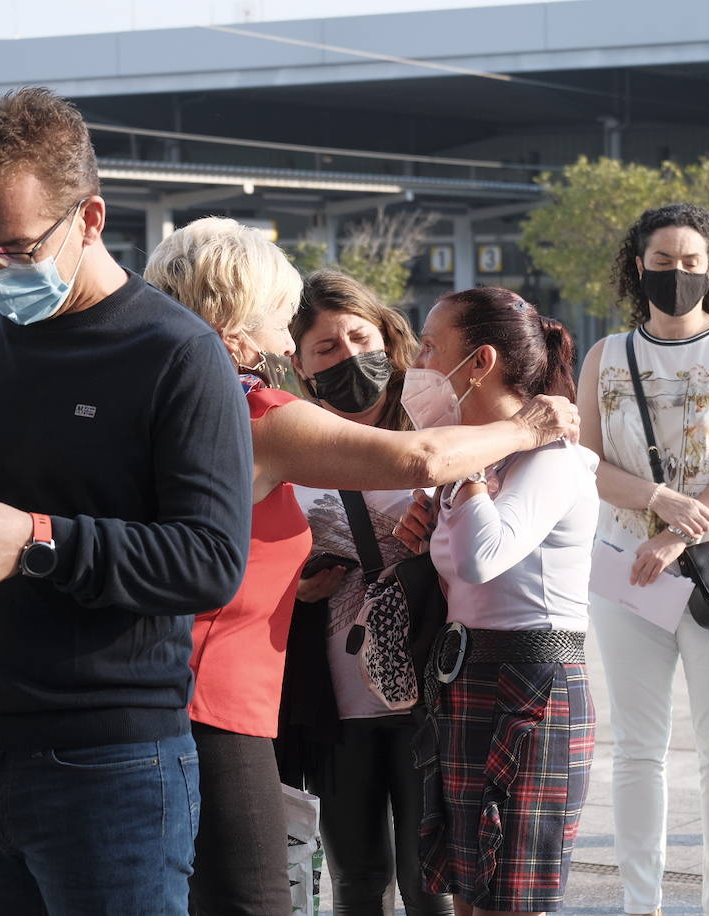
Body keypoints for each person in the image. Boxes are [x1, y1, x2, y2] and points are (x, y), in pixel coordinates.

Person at [0, 88, 253, 915]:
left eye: (15, 247)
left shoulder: (178, 356)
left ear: (90, 217)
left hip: (113, 767)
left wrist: (38, 539)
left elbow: (211, 560)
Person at [143, 221, 579, 916]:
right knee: (291, 889)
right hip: (231, 697)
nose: (287, 347)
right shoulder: (255, 414)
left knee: (422, 880)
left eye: (359, 338)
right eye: (285, 330)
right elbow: (426, 460)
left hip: (207, 692)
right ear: (232, 333)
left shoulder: (163, 404)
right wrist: (529, 427)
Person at [575, 203, 709, 916]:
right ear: (638, 267)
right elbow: (587, 464)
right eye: (663, 263)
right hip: (626, 571)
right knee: (636, 748)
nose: (678, 274)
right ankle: (641, 902)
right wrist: (659, 500)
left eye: (692, 263)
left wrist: (679, 535)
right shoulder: (604, 356)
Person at [393, 286, 598, 916]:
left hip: (532, 687)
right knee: (468, 890)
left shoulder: (552, 459)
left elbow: (486, 556)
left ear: (477, 363)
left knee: (512, 900)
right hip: (467, 679)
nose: (416, 365)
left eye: (429, 348)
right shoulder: (472, 460)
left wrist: (469, 464)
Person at [278, 268, 454, 916]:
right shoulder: (286, 447)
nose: (349, 356)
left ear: (387, 335)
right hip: (336, 710)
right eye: (327, 348)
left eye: (359, 336)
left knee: (429, 881)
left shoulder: (437, 432)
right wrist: (293, 589)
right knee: (356, 881)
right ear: (300, 364)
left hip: (430, 699)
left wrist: (440, 536)